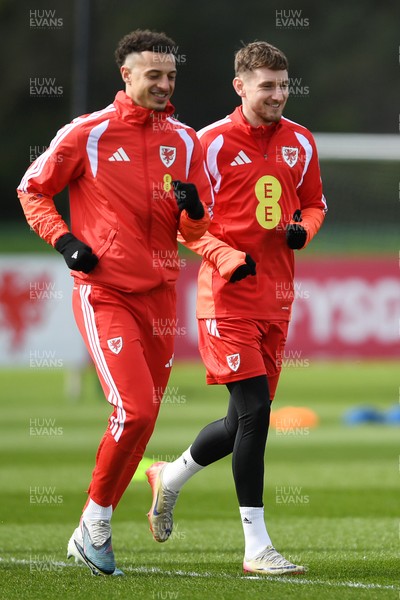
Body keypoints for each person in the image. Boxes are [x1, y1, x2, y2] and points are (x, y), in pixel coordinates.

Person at [17, 29, 213, 576]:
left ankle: (92, 526)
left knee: (142, 422)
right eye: (154, 75)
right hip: (105, 292)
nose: (164, 84)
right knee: (137, 409)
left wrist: (195, 212)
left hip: (161, 296)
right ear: (125, 76)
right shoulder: (88, 132)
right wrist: (64, 240)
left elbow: (196, 229)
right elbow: (33, 188)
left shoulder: (186, 140)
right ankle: (95, 524)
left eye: (170, 75)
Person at [145, 40, 327, 576]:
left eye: (284, 85)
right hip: (225, 301)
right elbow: (183, 224)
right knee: (256, 416)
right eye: (267, 86)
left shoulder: (302, 142)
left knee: (239, 421)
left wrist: (304, 231)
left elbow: (315, 203)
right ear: (240, 86)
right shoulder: (210, 145)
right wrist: (224, 255)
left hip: (277, 300)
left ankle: (168, 477)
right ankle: (256, 547)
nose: (278, 95)